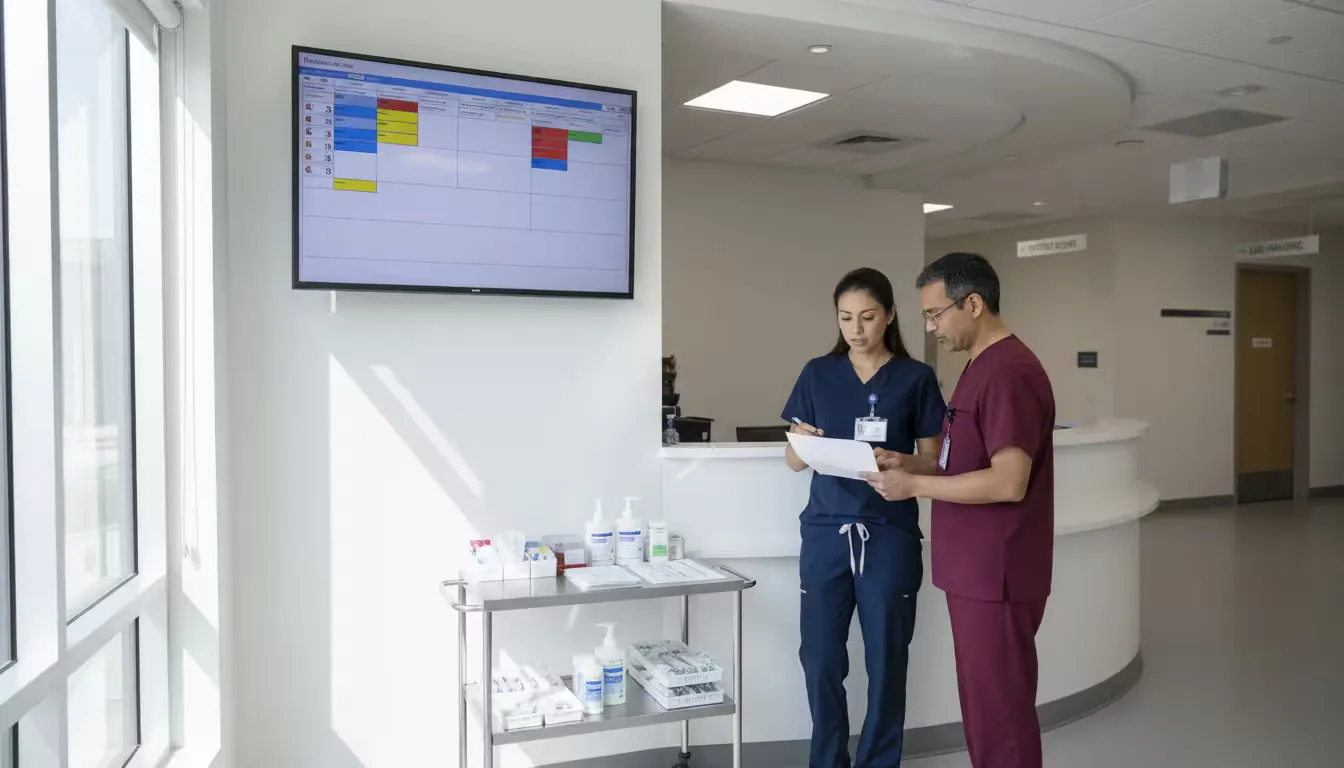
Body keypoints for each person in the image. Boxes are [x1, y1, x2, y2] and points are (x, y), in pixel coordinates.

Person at [863, 252, 1056, 768]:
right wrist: (908, 463)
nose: (930, 327)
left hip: (997, 573)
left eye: (935, 314)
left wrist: (914, 487)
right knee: (984, 710)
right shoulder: (979, 367)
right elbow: (965, 460)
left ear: (973, 304)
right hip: (975, 571)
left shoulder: (1009, 372)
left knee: (1000, 717)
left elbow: (1009, 481)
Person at [782, 267, 946, 768]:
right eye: (846, 317)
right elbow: (792, 460)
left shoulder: (916, 378)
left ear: (890, 315)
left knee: (887, 660)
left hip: (889, 534)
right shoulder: (817, 373)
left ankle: (878, 762)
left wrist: (900, 461)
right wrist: (801, 443)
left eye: (868, 317)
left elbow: (935, 460)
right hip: (826, 532)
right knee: (820, 659)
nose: (856, 328)